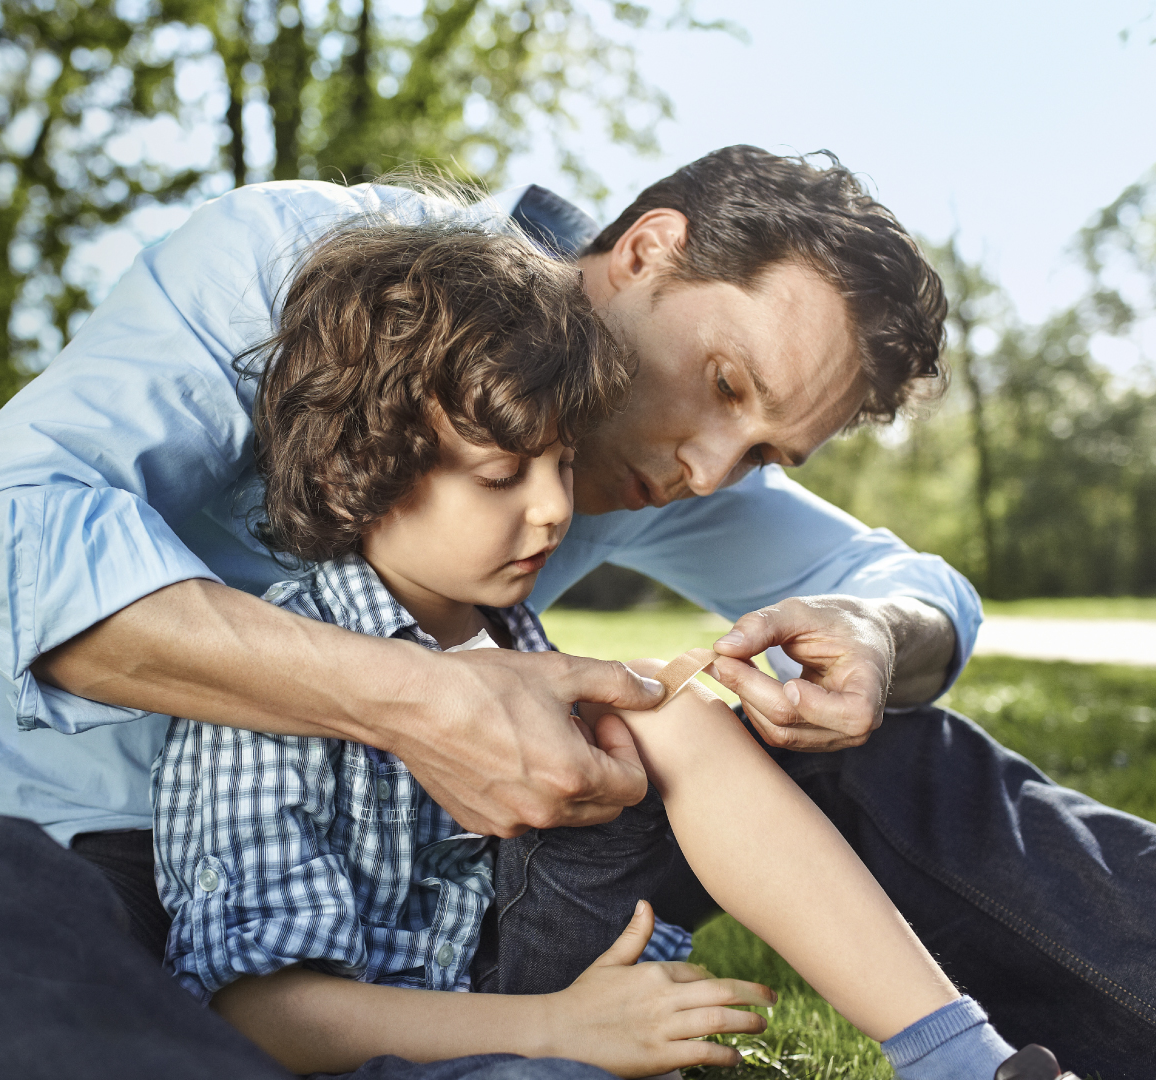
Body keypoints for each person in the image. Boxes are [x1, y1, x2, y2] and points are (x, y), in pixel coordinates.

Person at [0, 148, 1156, 1079]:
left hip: (469, 906)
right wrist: (417, 700)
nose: (705, 472)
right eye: (725, 388)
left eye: (769, 453)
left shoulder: (661, 456)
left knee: (861, 724)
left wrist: (877, 642)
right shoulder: (312, 279)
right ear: (647, 251)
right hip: (113, 870)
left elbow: (909, 583)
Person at [151, 210, 1045, 1080]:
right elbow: (260, 1014)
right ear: (360, 465)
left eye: (564, 464)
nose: (552, 510)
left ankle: (961, 1057)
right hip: (389, 1044)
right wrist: (554, 1029)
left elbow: (911, 588)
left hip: (523, 978)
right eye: (503, 475)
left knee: (672, 710)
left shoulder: (517, 635)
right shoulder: (271, 689)